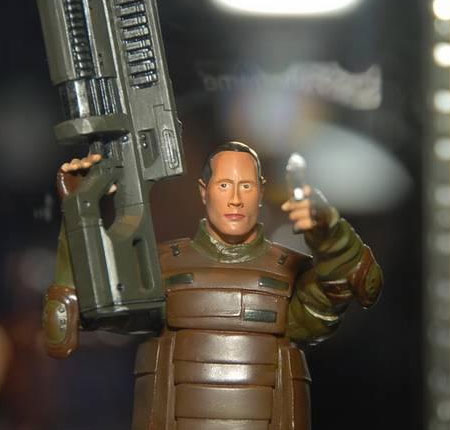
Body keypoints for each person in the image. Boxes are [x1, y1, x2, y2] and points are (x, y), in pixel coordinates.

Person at [44, 141, 383, 430]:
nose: (235, 199)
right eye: (224, 185)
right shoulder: (162, 266)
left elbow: (350, 288)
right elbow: (83, 312)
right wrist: (79, 210)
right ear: (203, 191)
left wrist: (332, 236)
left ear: (261, 191)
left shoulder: (289, 273)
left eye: (246, 186)